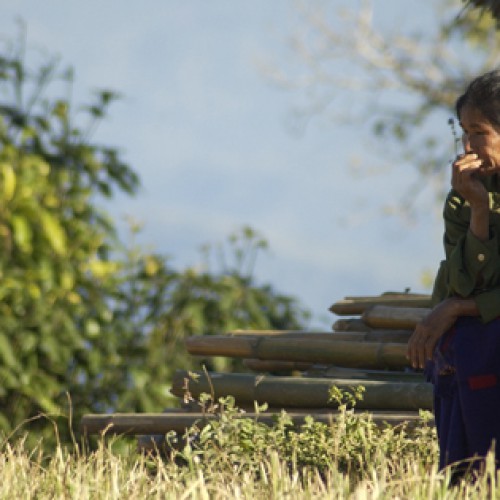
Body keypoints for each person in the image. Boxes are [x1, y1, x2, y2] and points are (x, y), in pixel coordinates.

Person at [407, 69, 500, 473]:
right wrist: (479, 208)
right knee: (461, 345)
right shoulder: (465, 198)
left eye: (479, 132)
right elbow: (465, 282)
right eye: (463, 132)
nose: (468, 145)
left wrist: (458, 309)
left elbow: (461, 298)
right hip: (480, 325)